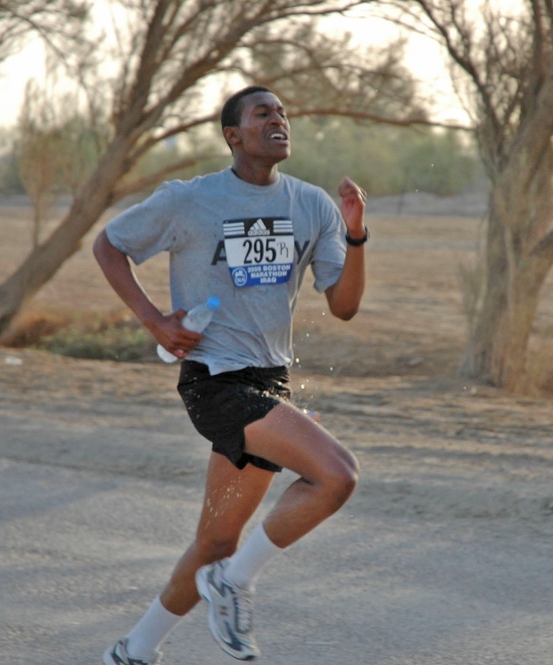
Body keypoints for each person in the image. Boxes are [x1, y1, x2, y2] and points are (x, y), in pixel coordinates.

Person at [94, 85, 368, 665]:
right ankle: (234, 580)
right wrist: (153, 321)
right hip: (215, 381)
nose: (279, 119)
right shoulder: (189, 200)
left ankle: (134, 650)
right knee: (337, 475)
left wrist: (356, 236)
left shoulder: (312, 204)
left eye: (284, 112)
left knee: (215, 540)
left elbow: (343, 306)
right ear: (234, 136)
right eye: (262, 112)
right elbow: (109, 245)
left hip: (271, 380)